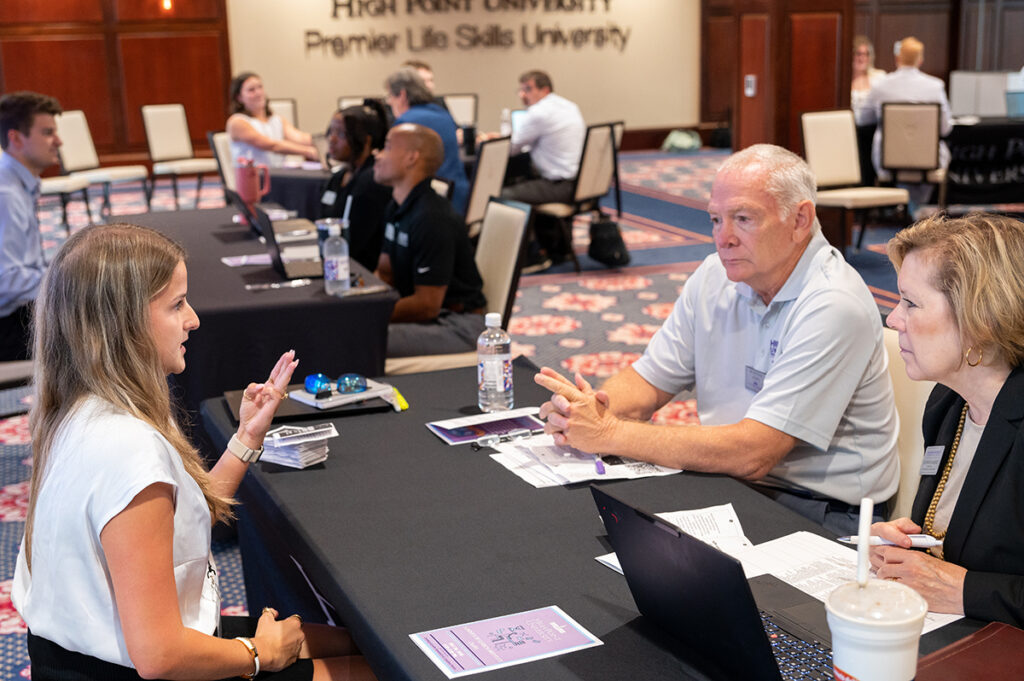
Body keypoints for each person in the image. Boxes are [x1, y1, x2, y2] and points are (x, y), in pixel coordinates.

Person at [12, 223, 375, 680]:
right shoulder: (125, 446)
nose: (194, 319)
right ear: (123, 325)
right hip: (129, 666)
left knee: (363, 644)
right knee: (373, 669)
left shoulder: (86, 407)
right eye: (177, 305)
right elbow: (159, 655)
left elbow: (183, 518)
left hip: (101, 651)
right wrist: (258, 654)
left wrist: (247, 438)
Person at [535, 144, 900, 536]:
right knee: (588, 530)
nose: (722, 238)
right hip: (733, 477)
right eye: (714, 219)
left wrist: (609, 433)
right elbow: (648, 380)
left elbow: (755, 452)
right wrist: (590, 410)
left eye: (743, 219)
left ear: (800, 220)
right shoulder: (716, 276)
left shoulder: (833, 304)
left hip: (821, 507)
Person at [870, 213, 1024, 626]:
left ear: (981, 319)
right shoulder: (948, 403)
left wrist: (965, 591)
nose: (892, 319)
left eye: (911, 303)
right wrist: (907, 549)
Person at [372, 124, 485, 358]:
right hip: (429, 317)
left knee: (359, 338)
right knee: (349, 330)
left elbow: (427, 305)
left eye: (387, 147)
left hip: (458, 324)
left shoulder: (432, 218)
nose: (377, 154)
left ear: (411, 158)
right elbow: (385, 273)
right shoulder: (397, 206)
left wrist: (366, 313)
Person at [494, 70, 585, 271]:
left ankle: (531, 255)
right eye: (520, 90)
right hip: (579, 183)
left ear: (545, 90)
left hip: (558, 186)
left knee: (502, 195)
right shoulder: (569, 106)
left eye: (528, 89)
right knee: (525, 183)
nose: (522, 95)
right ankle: (556, 247)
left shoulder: (539, 112)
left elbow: (510, 148)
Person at [0, 91, 61, 361]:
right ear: (15, 138)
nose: (58, 141)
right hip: (8, 326)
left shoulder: (16, 182)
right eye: (47, 132)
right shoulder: (6, 195)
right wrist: (64, 282)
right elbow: (4, 281)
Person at [863, 37, 953, 205]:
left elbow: (863, 119)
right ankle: (919, 210)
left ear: (897, 58)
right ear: (920, 60)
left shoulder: (881, 86)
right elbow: (945, 128)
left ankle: (903, 208)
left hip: (887, 163)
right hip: (929, 163)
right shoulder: (935, 86)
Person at [383, 68, 468, 215]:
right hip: (459, 197)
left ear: (402, 95)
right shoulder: (442, 113)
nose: (389, 102)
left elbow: (395, 168)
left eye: (390, 96)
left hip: (430, 206)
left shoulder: (406, 124)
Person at [320, 99, 393, 270]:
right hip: (335, 261)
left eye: (342, 134)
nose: (332, 139)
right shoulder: (338, 177)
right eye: (331, 131)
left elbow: (355, 244)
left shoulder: (372, 182)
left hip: (357, 269)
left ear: (366, 141)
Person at [227, 71, 318, 167]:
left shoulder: (277, 120)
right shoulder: (237, 122)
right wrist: (308, 151)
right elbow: (273, 146)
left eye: (260, 87)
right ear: (239, 97)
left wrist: (325, 141)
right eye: (251, 90)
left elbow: (300, 138)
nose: (258, 93)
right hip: (253, 178)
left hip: (278, 175)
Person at [851, 36, 886, 126]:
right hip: (849, 126)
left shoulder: (880, 77)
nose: (862, 58)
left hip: (872, 128)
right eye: (858, 54)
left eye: (866, 54)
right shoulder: (843, 81)